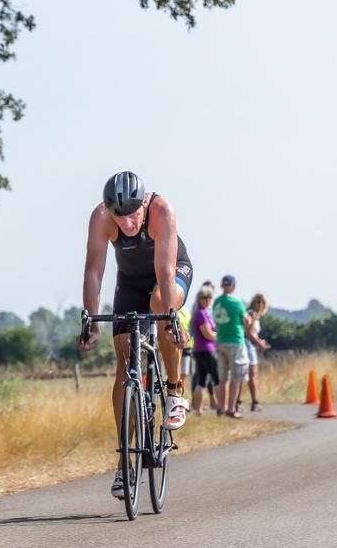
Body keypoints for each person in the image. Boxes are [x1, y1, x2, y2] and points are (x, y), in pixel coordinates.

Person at [79, 170, 194, 499]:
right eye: (121, 217)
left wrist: (171, 318)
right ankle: (124, 462)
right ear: (108, 209)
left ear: (144, 204)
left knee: (160, 301)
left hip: (171, 273)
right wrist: (90, 321)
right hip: (129, 283)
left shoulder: (161, 211)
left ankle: (174, 391)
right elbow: (94, 271)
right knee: (125, 358)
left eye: (133, 216)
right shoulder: (101, 217)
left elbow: (165, 270)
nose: (128, 224)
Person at [212, 274, 249, 419]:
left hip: (220, 340)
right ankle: (232, 408)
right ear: (233, 286)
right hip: (236, 341)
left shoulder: (217, 302)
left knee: (223, 378)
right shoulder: (237, 303)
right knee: (236, 377)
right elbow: (246, 320)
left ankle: (221, 407)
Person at [239, 293, 270, 413]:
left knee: (245, 374)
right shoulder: (252, 313)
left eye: (262, 302)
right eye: (258, 301)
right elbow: (249, 333)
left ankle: (240, 401)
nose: (260, 304)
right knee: (252, 374)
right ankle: (254, 402)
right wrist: (259, 342)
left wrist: (258, 341)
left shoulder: (255, 314)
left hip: (250, 344)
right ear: (253, 302)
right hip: (248, 344)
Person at [190, 286, 218, 416]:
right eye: (204, 298)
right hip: (206, 349)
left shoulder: (205, 312)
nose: (207, 300)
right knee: (217, 378)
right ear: (199, 299)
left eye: (209, 297)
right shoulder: (201, 313)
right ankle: (222, 406)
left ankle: (198, 409)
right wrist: (220, 335)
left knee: (201, 381)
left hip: (201, 350)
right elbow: (208, 334)